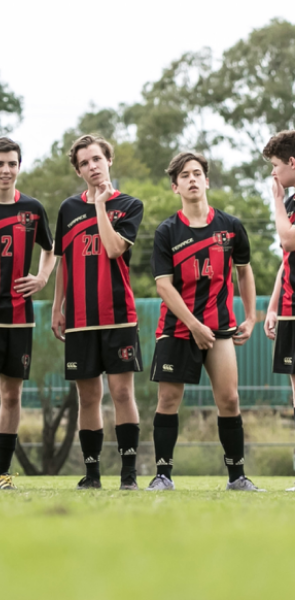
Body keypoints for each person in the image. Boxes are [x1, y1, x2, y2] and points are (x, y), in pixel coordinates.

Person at [147, 152, 260, 491]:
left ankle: (237, 477)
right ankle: (163, 475)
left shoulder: (231, 227)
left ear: (207, 181)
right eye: (185, 175)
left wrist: (251, 316)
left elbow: (244, 271)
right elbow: (163, 285)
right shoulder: (167, 231)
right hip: (177, 328)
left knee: (230, 400)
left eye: (197, 173)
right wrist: (193, 325)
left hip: (220, 327)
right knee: (168, 401)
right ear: (175, 186)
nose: (192, 179)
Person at [51, 134, 143, 491]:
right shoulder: (67, 210)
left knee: (122, 394)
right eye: (85, 162)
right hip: (78, 319)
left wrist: (101, 206)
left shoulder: (129, 205)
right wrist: (58, 307)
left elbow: (114, 248)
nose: (92, 166)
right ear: (78, 170)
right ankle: (91, 475)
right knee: (87, 397)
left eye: (97, 159)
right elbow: (63, 263)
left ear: (109, 161)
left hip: (119, 315)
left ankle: (129, 475)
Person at [0, 138, 54, 490]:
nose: (6, 170)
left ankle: (3, 472)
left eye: (12, 164)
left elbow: (51, 250)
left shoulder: (32, 209)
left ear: (19, 167)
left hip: (20, 315)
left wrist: (42, 277)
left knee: (13, 395)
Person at [260, 130, 295, 492]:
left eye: (275, 167)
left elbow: (288, 239)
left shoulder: (286, 200)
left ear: (292, 163)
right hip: (288, 310)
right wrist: (272, 307)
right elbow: (287, 260)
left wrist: (277, 201)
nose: (273, 175)